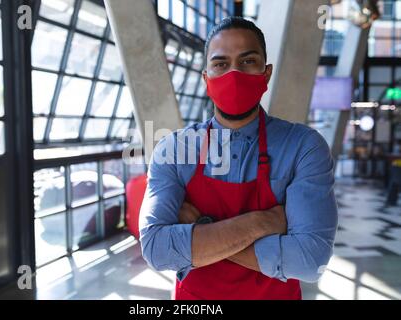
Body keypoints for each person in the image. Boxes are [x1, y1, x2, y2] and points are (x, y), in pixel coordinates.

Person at [139, 16, 338, 300]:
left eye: (248, 61)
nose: (234, 73)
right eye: (220, 64)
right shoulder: (173, 149)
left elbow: (310, 261)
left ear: (266, 74)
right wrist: (266, 222)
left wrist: (203, 229)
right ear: (206, 78)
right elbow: (156, 249)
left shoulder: (304, 146)